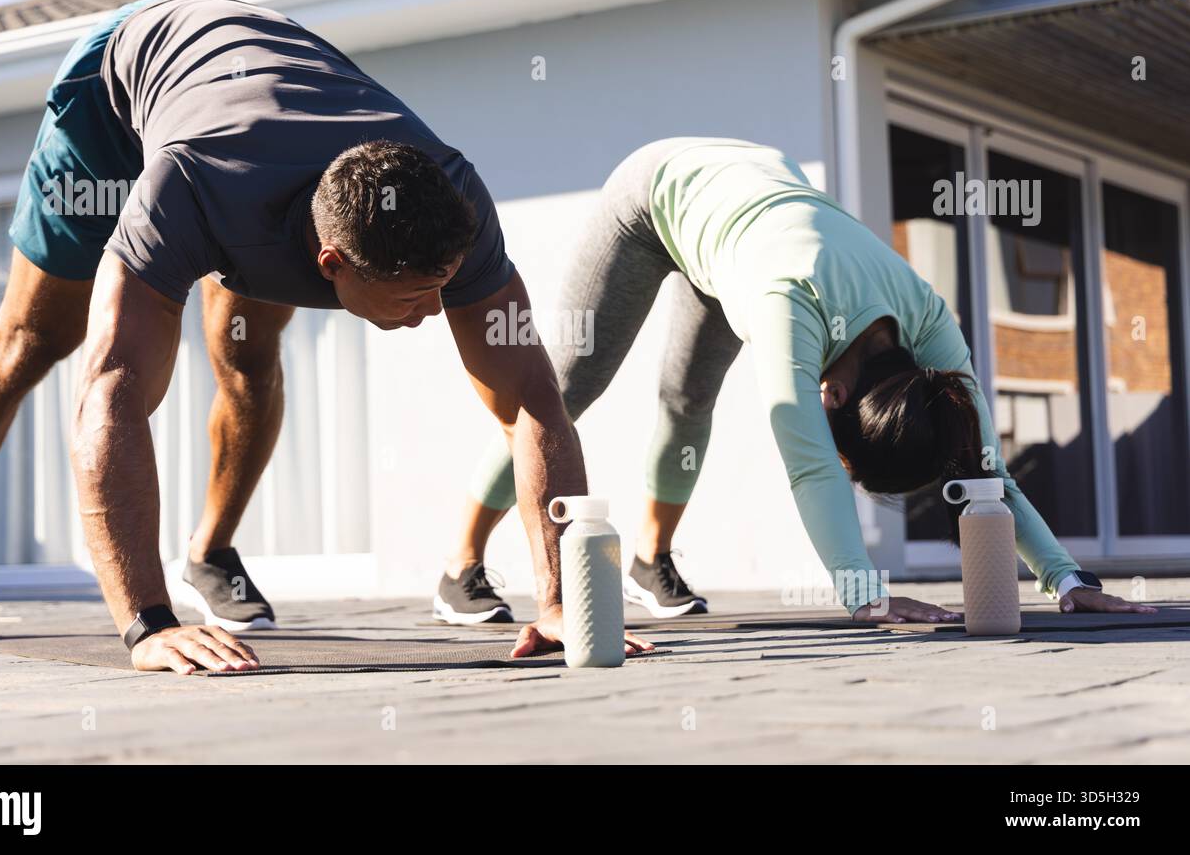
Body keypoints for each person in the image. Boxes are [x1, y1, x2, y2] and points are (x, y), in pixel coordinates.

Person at [0, 0, 652, 670]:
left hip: (263, 103)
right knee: (37, 339)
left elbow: (532, 401)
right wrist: (147, 625)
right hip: (117, 94)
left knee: (247, 355)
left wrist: (560, 601)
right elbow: (110, 390)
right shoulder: (190, 188)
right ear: (332, 263)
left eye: (441, 288)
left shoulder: (455, 195)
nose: (431, 313)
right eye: (414, 297)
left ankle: (211, 550)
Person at [435, 138, 1155, 624]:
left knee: (688, 400)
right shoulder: (786, 310)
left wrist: (1069, 579)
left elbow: (983, 465)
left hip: (752, 214)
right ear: (834, 397)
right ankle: (459, 567)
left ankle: (651, 560)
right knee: (560, 388)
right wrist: (865, 593)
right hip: (658, 191)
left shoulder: (928, 321)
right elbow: (810, 464)